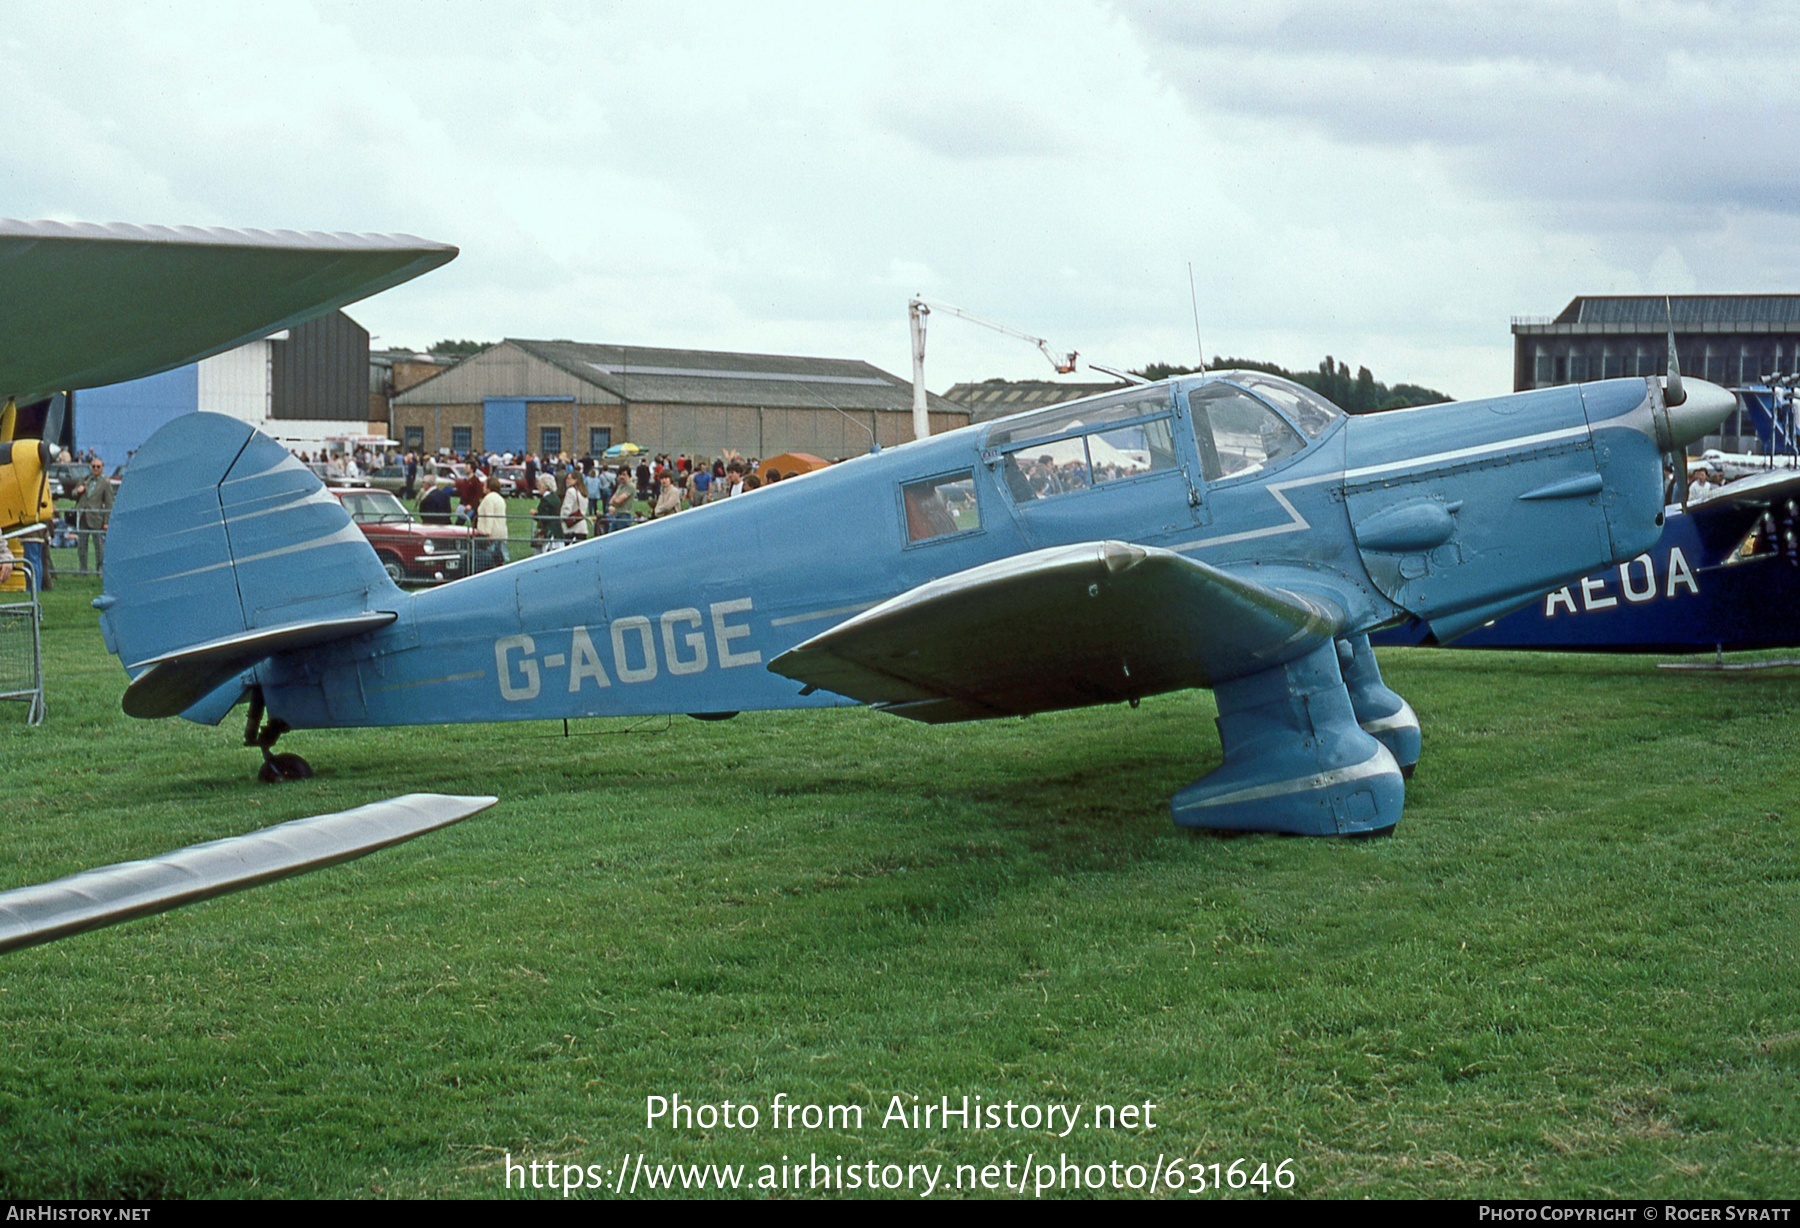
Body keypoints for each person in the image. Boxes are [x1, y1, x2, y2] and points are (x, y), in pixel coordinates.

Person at [73, 457, 114, 573]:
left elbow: (110, 503)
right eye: (93, 466)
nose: (95, 469)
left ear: (102, 468)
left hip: (97, 518)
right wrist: (79, 491)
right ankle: (83, 570)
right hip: (83, 517)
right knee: (81, 546)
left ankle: (100, 570)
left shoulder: (105, 483)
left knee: (99, 547)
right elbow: (73, 493)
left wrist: (106, 522)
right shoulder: (86, 479)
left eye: (98, 467)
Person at [476, 477, 509, 568]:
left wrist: (487, 532)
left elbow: (489, 516)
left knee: (490, 560)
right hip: (501, 533)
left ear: (488, 487)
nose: (483, 487)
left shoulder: (488, 499)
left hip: (491, 535)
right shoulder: (500, 499)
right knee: (500, 560)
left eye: (485, 485)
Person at [561, 471, 591, 541]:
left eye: (569, 479)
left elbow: (567, 509)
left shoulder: (571, 491)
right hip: (582, 526)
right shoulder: (583, 492)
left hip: (572, 527)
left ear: (576, 480)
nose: (567, 481)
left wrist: (562, 518)